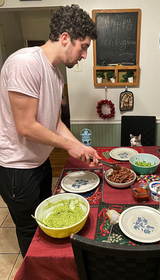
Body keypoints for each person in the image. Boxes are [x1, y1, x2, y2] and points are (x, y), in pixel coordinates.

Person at [0, 4, 100, 257]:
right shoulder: (25, 63)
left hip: (40, 163)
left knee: (45, 227)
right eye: (84, 46)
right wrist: (69, 146)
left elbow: (54, 123)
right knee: (30, 230)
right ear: (65, 38)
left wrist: (80, 146)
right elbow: (26, 126)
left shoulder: (55, 75)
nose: (85, 55)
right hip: (17, 169)